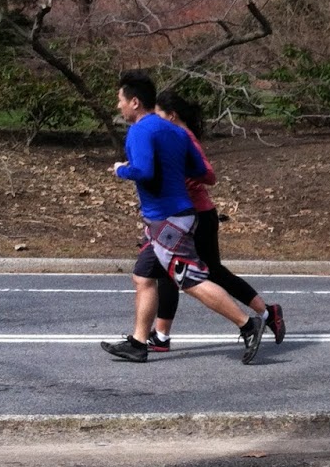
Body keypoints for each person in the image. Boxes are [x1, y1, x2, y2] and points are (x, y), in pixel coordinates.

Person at [102, 70, 265, 364]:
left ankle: (248, 325)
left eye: (120, 100)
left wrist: (121, 169)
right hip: (174, 216)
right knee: (143, 277)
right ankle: (139, 343)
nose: (118, 106)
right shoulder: (177, 131)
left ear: (135, 102)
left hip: (168, 220)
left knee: (190, 281)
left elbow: (144, 172)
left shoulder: (140, 130)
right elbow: (202, 172)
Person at [148, 90, 285, 351]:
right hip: (190, 216)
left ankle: (266, 314)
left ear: (171, 115)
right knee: (173, 272)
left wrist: (181, 177)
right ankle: (161, 336)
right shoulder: (177, 137)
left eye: (158, 115)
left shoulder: (184, 137)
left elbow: (209, 174)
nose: (155, 121)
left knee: (204, 273)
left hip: (197, 216)